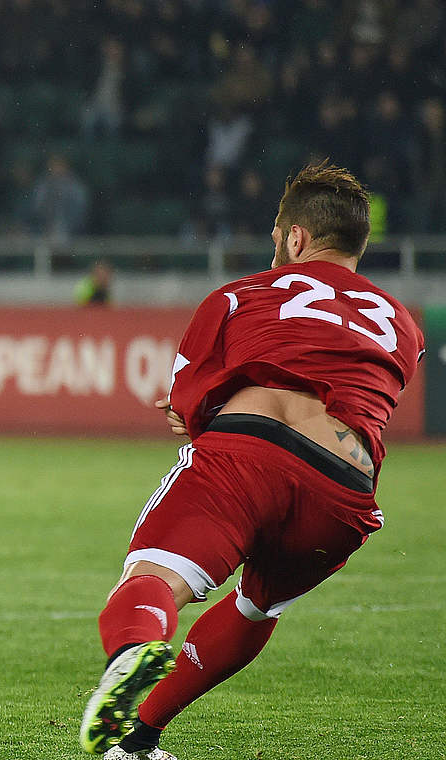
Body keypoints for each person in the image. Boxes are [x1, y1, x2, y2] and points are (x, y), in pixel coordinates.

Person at [80, 161, 424, 760]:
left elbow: (189, 399)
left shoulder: (238, 295)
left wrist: (189, 413)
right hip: (342, 492)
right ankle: (139, 741)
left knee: (153, 582)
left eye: (276, 237)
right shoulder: (403, 323)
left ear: (295, 237)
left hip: (248, 453)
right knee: (257, 604)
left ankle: (135, 649)